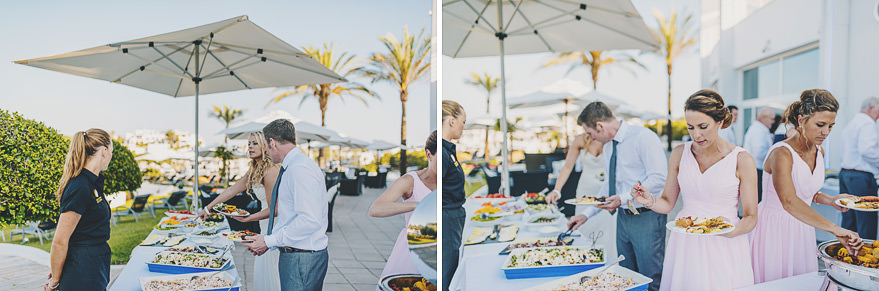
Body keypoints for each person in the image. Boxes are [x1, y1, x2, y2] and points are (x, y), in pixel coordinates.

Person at [634, 90, 758, 290]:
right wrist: (650, 201)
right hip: (686, 242)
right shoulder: (679, 153)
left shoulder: (742, 159)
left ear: (719, 122)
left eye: (703, 126)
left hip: (726, 242)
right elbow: (667, 203)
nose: (696, 134)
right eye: (690, 127)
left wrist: (728, 233)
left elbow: (751, 216)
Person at [750, 89, 863, 283]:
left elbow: (806, 193)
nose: (826, 132)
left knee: (801, 283)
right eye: (820, 125)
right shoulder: (781, 153)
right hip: (774, 229)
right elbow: (789, 201)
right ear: (801, 120)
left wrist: (831, 200)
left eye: (830, 126)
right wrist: (835, 229)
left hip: (803, 227)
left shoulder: (820, 151)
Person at [565, 101, 667, 291]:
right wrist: (586, 214)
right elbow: (609, 184)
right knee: (627, 277)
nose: (590, 138)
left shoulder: (643, 137)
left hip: (647, 216)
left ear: (600, 126)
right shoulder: (609, 146)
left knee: (651, 276)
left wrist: (623, 197)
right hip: (623, 218)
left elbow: (659, 178)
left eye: (590, 133)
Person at [242, 119, 329, 291]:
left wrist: (269, 240)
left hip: (301, 258)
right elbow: (290, 215)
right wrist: (269, 243)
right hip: (297, 254)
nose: (266, 150)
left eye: (265, 145)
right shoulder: (295, 166)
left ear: (272, 142)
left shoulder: (299, 169)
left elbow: (309, 220)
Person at [198, 131, 281, 291]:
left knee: (271, 272)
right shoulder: (255, 169)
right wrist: (207, 208)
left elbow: (275, 209)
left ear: (265, 146)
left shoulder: (270, 170)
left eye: (255, 143)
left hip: (274, 226)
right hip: (264, 224)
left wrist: (247, 219)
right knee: (263, 271)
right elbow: (231, 190)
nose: (250, 146)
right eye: (249, 143)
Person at [45, 129, 114, 291]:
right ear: (104, 151)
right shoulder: (79, 186)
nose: (111, 156)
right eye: (111, 151)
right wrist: (54, 281)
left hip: (94, 267)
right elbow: (60, 240)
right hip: (82, 271)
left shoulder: (92, 183)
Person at [369, 131, 438, 287]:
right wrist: (417, 205)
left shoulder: (450, 181)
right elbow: (375, 209)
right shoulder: (411, 181)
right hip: (414, 251)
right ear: (429, 154)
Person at [839, 96, 879, 240]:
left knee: (849, 219)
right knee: (866, 221)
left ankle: (847, 256)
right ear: (872, 108)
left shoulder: (851, 123)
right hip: (861, 177)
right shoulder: (867, 123)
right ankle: (864, 260)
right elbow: (868, 151)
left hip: (845, 174)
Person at [545, 133, 604, 214]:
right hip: (586, 189)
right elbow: (567, 167)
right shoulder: (579, 139)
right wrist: (557, 190)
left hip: (606, 190)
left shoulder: (610, 138)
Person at [441, 100, 466, 291]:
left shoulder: (448, 150)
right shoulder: (441, 152)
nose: (463, 127)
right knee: (447, 273)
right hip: (446, 218)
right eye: (463, 122)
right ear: (451, 120)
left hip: (453, 217)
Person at [744, 107, 775, 201]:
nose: (773, 121)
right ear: (763, 118)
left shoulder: (760, 129)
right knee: (758, 200)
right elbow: (759, 152)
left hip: (756, 170)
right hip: (757, 170)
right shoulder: (758, 131)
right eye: (771, 118)